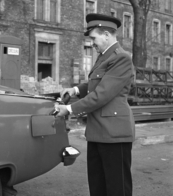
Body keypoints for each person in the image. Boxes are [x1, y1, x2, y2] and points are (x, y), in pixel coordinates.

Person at [56, 13, 135, 196]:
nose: (92, 43)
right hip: (98, 131)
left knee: (117, 188)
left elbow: (101, 95)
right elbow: (95, 83)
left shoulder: (121, 58)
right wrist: (75, 90)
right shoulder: (104, 56)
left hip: (114, 133)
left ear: (107, 34)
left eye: (94, 38)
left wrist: (68, 109)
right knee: (98, 186)